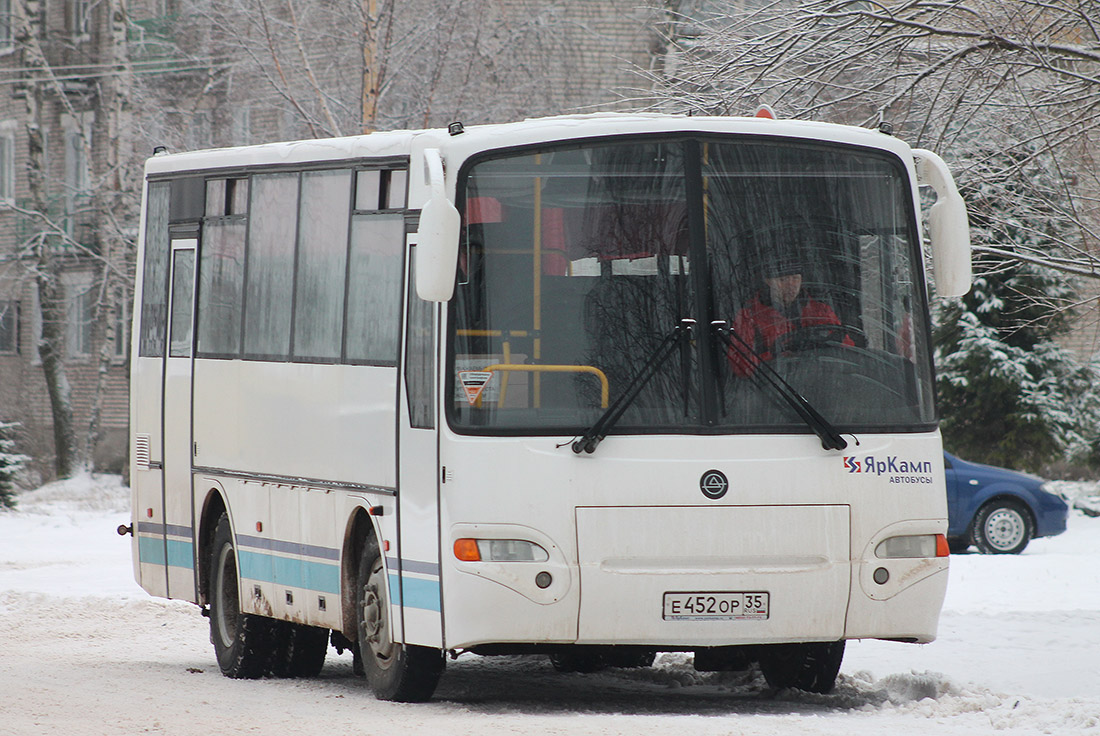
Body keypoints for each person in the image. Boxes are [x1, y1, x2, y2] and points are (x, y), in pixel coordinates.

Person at [728, 253, 851, 376]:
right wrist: (776, 355)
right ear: (768, 281)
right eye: (783, 280)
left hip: (822, 380)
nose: (791, 285)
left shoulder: (821, 311)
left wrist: (819, 348)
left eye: (795, 278)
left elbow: (848, 350)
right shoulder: (749, 317)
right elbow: (740, 365)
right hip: (774, 386)